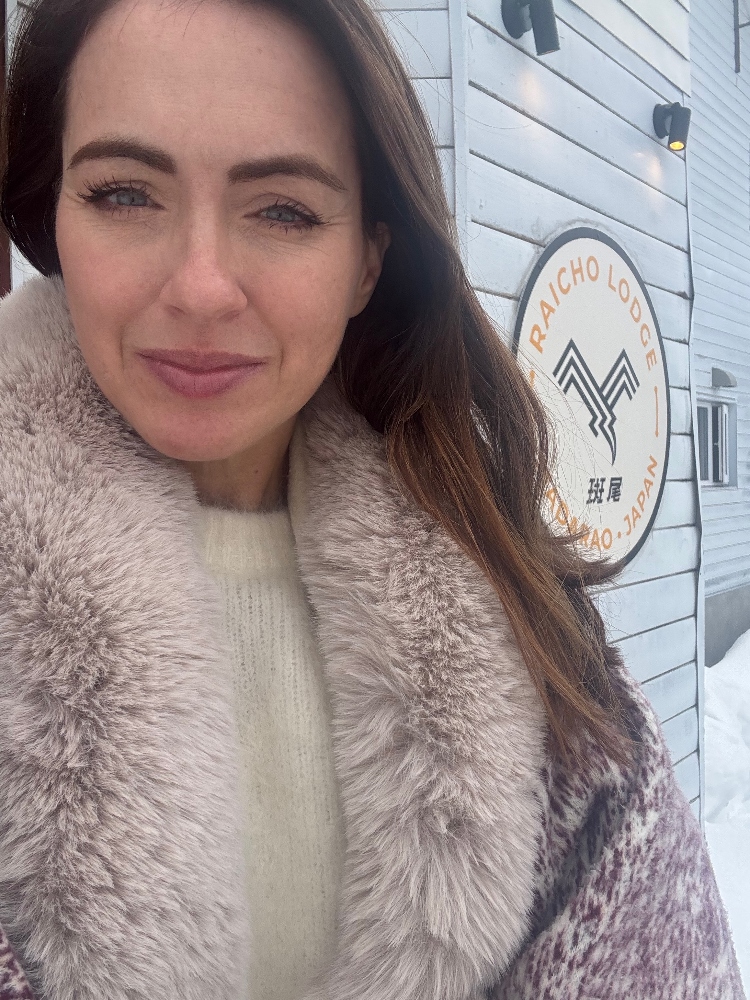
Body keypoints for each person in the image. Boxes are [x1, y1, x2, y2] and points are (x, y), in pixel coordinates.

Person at [0, 1, 743, 999]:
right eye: (125, 193)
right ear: (53, 216)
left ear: (368, 263)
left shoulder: (520, 616)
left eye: (283, 210)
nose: (202, 287)